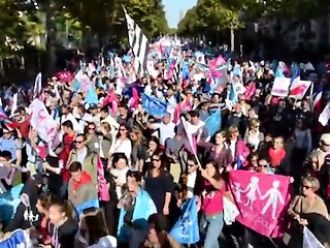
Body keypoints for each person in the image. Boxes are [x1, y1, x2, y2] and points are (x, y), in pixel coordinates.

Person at [117, 171, 157, 248]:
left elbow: (153, 213)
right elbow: (121, 214)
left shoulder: (144, 196)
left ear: (138, 182)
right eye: (127, 181)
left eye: (132, 181)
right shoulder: (126, 195)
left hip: (139, 230)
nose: (129, 184)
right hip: (125, 230)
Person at [287, 176, 329, 248]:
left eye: (307, 187)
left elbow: (323, 222)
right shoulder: (298, 197)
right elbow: (289, 210)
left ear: (313, 189)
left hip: (311, 235)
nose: (303, 189)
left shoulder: (319, 202)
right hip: (297, 230)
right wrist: (294, 215)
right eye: (302, 186)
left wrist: (309, 222)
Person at [200, 161, 225, 248]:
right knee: (213, 243)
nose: (207, 170)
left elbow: (218, 186)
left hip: (216, 218)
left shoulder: (220, 181)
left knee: (207, 245)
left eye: (209, 168)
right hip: (205, 216)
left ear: (215, 169)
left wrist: (207, 176)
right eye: (206, 168)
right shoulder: (205, 182)